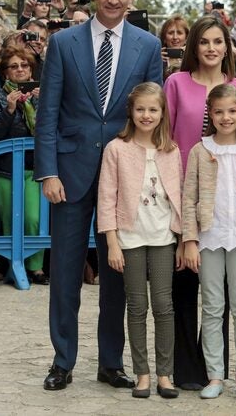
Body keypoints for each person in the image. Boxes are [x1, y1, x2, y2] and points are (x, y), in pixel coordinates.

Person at [34, 0, 163, 391]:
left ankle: (111, 362)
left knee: (116, 273)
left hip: (124, 177)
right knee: (66, 273)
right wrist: (47, 171)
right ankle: (62, 361)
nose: (113, 0)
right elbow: (48, 111)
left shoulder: (147, 46)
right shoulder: (65, 42)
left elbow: (152, 116)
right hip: (69, 174)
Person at [163, 14, 236, 390]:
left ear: (227, 46)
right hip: (181, 196)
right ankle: (187, 369)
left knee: (222, 295)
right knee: (183, 286)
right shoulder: (176, 83)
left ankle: (218, 369)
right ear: (193, 46)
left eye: (219, 41)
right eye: (204, 42)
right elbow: (164, 140)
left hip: (225, 206)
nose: (212, 49)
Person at [182, 84, 236, 400]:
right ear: (211, 115)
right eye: (219, 111)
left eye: (232, 111)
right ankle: (215, 375)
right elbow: (188, 196)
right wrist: (189, 240)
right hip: (209, 239)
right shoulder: (200, 151)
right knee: (212, 307)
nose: (226, 117)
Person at [97, 82, 182, 399]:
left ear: (162, 113)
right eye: (141, 109)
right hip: (129, 240)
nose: (147, 115)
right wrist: (112, 242)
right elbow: (106, 198)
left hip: (162, 239)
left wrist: (182, 238)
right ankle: (142, 373)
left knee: (163, 306)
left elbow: (180, 196)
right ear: (131, 112)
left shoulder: (171, 151)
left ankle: (165, 374)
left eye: (153, 109)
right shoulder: (116, 149)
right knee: (136, 307)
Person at [0, 46, 47, 285]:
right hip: (6, 170)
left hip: (35, 169)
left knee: (34, 218)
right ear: (5, 72)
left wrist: (39, 103)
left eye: (25, 65)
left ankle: (36, 267)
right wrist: (10, 109)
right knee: (11, 220)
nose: (20, 70)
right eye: (14, 66)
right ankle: (15, 265)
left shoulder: (43, 95)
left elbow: (49, 129)